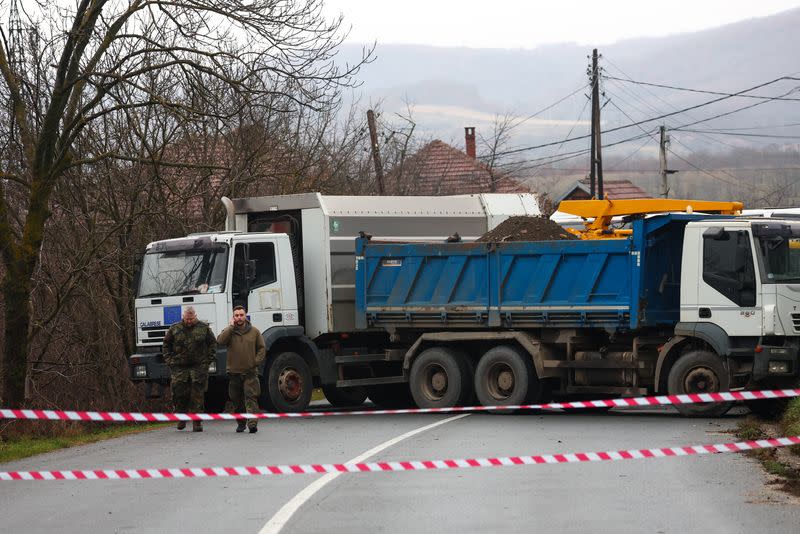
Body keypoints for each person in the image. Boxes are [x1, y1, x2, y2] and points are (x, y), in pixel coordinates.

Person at [162, 306, 217, 432]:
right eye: (187, 319)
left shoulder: (204, 328)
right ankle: (181, 418)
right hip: (179, 368)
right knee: (179, 394)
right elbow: (166, 345)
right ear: (183, 317)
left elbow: (212, 344)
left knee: (197, 396)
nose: (189, 321)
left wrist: (207, 361)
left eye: (191, 319)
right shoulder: (175, 328)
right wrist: (169, 361)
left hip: (198, 367)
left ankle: (197, 422)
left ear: (195, 316)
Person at [217, 306, 266, 433]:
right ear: (233, 317)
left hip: (250, 372)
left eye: (241, 315)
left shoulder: (254, 331)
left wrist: (256, 361)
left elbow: (261, 348)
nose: (239, 317)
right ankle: (241, 422)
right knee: (236, 400)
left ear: (245, 316)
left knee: (251, 397)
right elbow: (220, 341)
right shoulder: (229, 331)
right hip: (234, 373)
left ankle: (252, 423)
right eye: (236, 315)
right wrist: (230, 327)